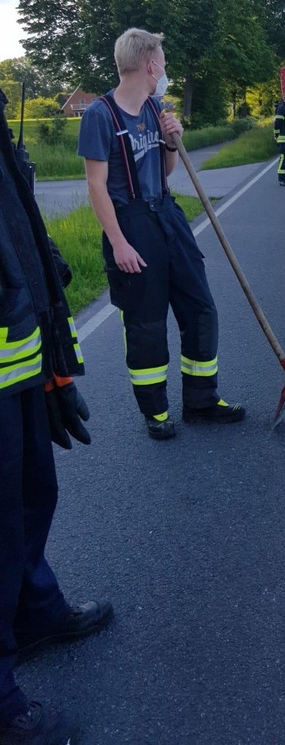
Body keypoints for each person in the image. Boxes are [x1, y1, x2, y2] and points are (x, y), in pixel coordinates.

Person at [0, 88, 113, 745]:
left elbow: (19, 232)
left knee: (33, 493)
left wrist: (55, 363)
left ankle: (33, 609)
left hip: (19, 352)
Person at [77, 28, 245, 441]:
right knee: (146, 323)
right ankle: (156, 413)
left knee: (201, 309)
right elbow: (96, 186)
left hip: (168, 216)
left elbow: (168, 171)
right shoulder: (100, 115)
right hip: (130, 223)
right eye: (163, 61)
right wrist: (118, 242)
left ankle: (202, 401)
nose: (165, 68)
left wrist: (173, 141)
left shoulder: (157, 108)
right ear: (150, 64)